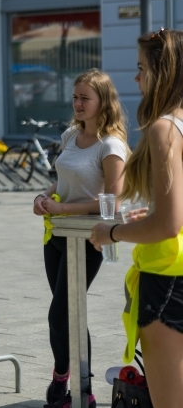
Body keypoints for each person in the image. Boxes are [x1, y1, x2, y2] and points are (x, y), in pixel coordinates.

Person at [90, 29, 183, 408]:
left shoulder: (166, 129)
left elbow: (167, 226)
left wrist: (111, 232)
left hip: (168, 279)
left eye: (142, 68)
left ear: (164, 73)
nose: (136, 78)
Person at [34, 68, 129, 408]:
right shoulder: (71, 135)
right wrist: (44, 196)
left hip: (89, 239)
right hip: (56, 235)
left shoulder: (111, 145)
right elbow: (63, 179)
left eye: (85, 98)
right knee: (70, 314)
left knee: (60, 315)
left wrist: (63, 209)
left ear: (103, 101)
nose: (78, 103)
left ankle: (70, 382)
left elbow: (112, 203)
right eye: (75, 97)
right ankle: (75, 384)